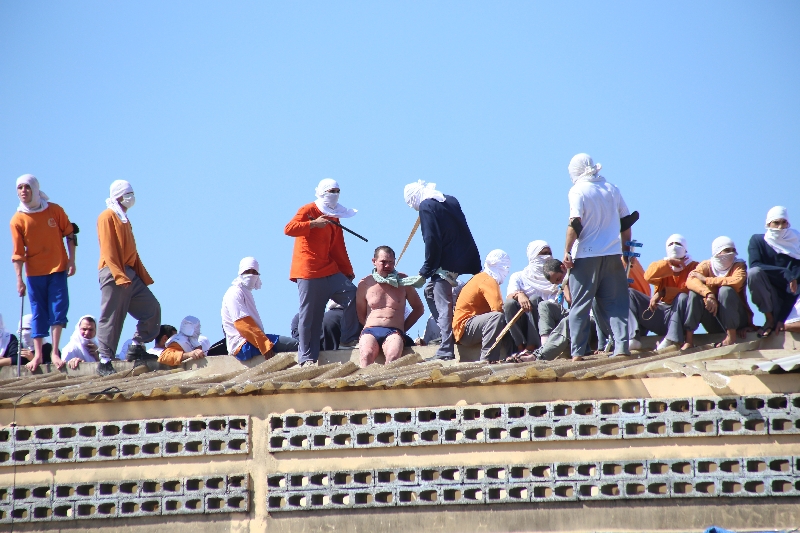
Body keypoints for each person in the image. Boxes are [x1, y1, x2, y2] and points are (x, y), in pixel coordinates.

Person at [563, 154, 635, 360]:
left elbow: (575, 222)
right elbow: (626, 222)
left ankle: (577, 352)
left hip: (586, 255)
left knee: (580, 305)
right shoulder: (612, 188)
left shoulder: (578, 190)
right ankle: (622, 347)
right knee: (617, 304)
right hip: (612, 255)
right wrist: (626, 252)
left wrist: (567, 250)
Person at [284, 179, 360, 367]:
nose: (334, 194)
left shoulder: (335, 216)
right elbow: (289, 229)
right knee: (310, 315)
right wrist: (312, 224)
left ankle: (348, 339)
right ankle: (306, 358)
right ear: (321, 192)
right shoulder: (308, 209)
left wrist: (347, 271)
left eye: (337, 191)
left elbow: (338, 247)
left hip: (329, 269)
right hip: (308, 271)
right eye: (330, 190)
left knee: (352, 294)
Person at [403, 180, 482, 361]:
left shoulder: (426, 206)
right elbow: (463, 230)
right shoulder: (451, 200)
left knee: (443, 305)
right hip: (466, 258)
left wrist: (426, 270)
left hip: (445, 263)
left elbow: (431, 239)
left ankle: (446, 349)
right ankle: (449, 332)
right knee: (429, 291)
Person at [10, 174, 76, 371]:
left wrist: (72, 260)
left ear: (35, 189)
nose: (23, 191)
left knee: (58, 309)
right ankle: (38, 354)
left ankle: (54, 351)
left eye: (27, 187)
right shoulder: (17, 219)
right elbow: (17, 253)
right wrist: (19, 279)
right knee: (38, 312)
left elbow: (70, 234)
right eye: (20, 187)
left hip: (57, 268)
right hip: (34, 273)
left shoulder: (54, 210)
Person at [96, 180, 161, 376]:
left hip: (129, 273)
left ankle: (136, 345)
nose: (131, 197)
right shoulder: (107, 216)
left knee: (151, 308)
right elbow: (108, 249)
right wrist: (118, 275)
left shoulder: (123, 218)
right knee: (112, 316)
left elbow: (132, 251)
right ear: (117, 196)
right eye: (127, 193)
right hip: (113, 271)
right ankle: (104, 360)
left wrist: (140, 274)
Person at [355, 246, 425, 367]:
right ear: (374, 261)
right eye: (383, 262)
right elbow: (360, 313)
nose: (387, 265)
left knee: (393, 357)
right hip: (370, 330)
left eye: (391, 262)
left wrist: (403, 328)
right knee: (366, 355)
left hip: (394, 331)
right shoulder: (365, 283)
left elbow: (419, 308)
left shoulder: (403, 281)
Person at [222, 257, 299, 361]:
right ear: (241, 272)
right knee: (295, 345)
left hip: (251, 342)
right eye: (247, 271)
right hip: (243, 345)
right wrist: (264, 345)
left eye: (254, 272)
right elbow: (242, 324)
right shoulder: (234, 292)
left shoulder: (246, 292)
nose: (251, 275)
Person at [631, 234, 699, 351]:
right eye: (670, 244)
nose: (674, 246)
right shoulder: (663, 266)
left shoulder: (695, 267)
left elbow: (690, 293)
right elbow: (648, 276)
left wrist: (662, 293)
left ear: (685, 249)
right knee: (630, 294)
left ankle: (672, 339)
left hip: (680, 317)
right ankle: (632, 337)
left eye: (678, 244)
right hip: (661, 313)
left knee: (682, 297)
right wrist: (669, 263)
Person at [684, 237, 753, 348]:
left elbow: (737, 281)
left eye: (733, 250)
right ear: (717, 251)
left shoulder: (738, 265)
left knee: (725, 290)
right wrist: (709, 294)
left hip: (737, 320)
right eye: (727, 250)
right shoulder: (706, 265)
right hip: (715, 319)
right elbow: (691, 280)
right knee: (694, 294)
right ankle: (689, 340)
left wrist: (706, 280)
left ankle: (731, 336)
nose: (731, 253)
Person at [748, 206, 800, 337]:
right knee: (754, 273)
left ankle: (782, 325)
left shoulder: (796, 244)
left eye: (784, 223)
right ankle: (769, 320)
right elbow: (755, 264)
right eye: (776, 223)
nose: (780, 227)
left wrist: (781, 319)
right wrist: (786, 273)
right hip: (771, 298)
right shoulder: (758, 241)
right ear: (768, 224)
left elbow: (794, 289)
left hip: (792, 300)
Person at [452, 249, 512, 362]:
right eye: (505, 267)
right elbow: (498, 308)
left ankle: (512, 355)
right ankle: (488, 358)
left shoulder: (482, 277)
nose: (506, 271)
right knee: (498, 317)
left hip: (468, 329)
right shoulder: (488, 280)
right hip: (465, 329)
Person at [504, 241, 560, 356]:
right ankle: (520, 347)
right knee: (509, 304)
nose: (547, 257)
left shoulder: (555, 278)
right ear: (533, 255)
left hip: (546, 325)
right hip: (523, 322)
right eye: (543, 253)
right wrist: (520, 295)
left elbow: (553, 304)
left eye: (549, 253)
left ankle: (532, 346)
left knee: (535, 299)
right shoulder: (519, 276)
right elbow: (509, 296)